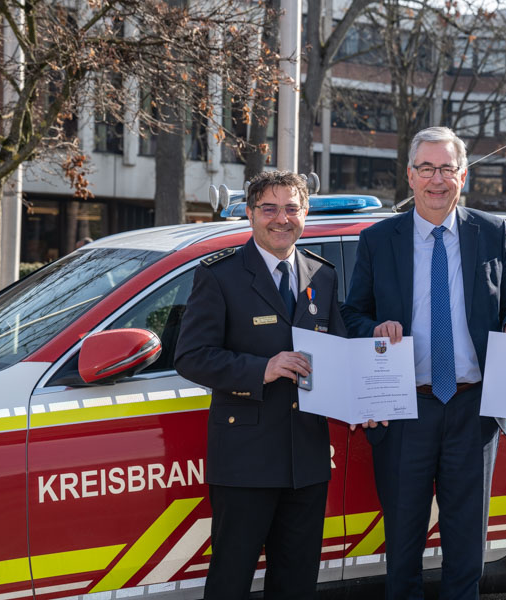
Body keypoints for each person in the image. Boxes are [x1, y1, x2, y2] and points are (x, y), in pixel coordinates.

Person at [341, 126, 506, 599]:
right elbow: (352, 313)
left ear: (462, 176)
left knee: (467, 544)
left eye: (446, 168)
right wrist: (373, 331)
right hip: (405, 410)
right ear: (410, 176)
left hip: (473, 410)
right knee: (403, 545)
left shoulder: (490, 233)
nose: (436, 179)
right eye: (426, 168)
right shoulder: (378, 239)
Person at [174, 171, 345, 600]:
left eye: (291, 208)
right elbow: (191, 356)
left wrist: (374, 386)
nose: (280, 219)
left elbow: (341, 354)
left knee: (297, 581)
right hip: (245, 459)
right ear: (250, 214)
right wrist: (261, 369)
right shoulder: (221, 275)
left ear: (306, 213)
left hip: (306, 457)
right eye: (269, 208)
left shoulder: (321, 275)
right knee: (231, 579)